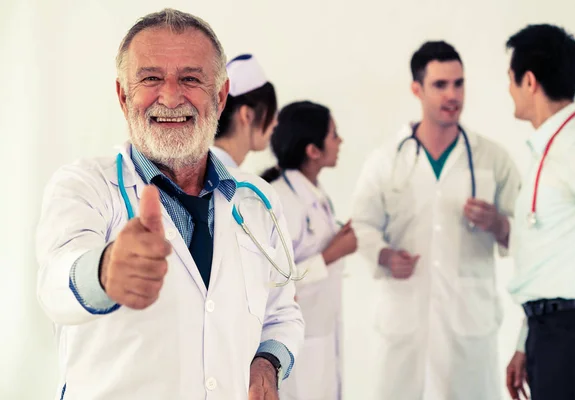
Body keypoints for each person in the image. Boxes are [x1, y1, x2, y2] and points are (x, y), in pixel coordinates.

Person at [35, 9, 304, 400]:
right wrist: (106, 270)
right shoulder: (85, 186)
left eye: (191, 79)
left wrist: (268, 362)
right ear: (123, 95)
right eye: (151, 78)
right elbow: (55, 283)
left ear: (221, 95)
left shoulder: (258, 199)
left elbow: (282, 312)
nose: (172, 96)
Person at [350, 41, 521, 400]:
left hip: (468, 327)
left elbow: (523, 234)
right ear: (417, 89)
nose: (453, 94)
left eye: (458, 83)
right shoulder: (387, 159)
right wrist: (384, 255)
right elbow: (361, 225)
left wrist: (496, 222)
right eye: (440, 85)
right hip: (405, 326)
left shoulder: (493, 158)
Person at [504, 24, 575, 400]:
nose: (508, 90)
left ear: (528, 81)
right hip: (552, 332)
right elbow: (549, 260)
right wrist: (525, 340)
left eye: (510, 80)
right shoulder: (549, 149)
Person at [261, 101, 357, 400]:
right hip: (297, 346)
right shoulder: (281, 199)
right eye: (333, 135)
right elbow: (273, 283)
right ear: (313, 150)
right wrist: (332, 253)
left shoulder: (315, 193)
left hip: (322, 334)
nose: (340, 141)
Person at [211, 53, 277, 169]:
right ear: (247, 115)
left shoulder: (212, 168)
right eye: (272, 113)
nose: (275, 123)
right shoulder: (222, 174)